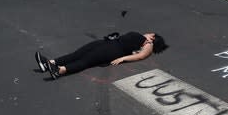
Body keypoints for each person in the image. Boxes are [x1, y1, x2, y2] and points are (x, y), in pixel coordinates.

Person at [35, 32, 168, 79]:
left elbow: (140, 56)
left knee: (86, 60)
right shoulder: (144, 40)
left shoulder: (148, 44)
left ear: (153, 37)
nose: (148, 32)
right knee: (78, 53)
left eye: (151, 33)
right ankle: (50, 63)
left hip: (113, 51)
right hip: (108, 43)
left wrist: (123, 58)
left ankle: (60, 71)